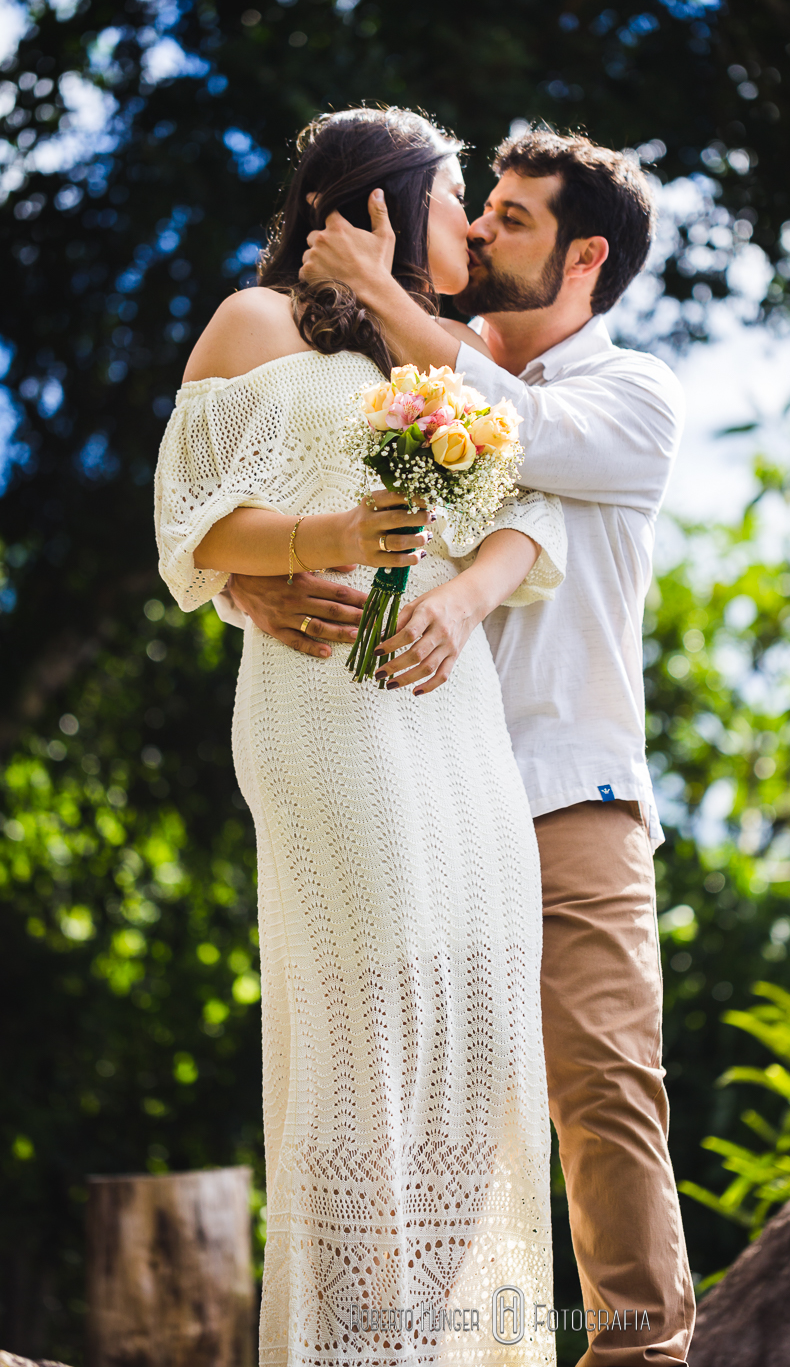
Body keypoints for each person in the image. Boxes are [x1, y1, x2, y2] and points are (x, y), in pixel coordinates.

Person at [226, 129, 697, 1366]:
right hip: (421, 790)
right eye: (476, 206)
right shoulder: (419, 361)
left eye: (515, 219)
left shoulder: (630, 394)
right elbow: (296, 503)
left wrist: (385, 294)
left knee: (598, 1090)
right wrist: (247, 591)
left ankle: (643, 1356)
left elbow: (519, 447)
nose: (480, 230)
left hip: (569, 789)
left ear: (586, 254)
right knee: (426, 1089)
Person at [153, 107, 568, 1367]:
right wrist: (309, 548)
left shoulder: (452, 353)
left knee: (477, 1016)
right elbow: (189, 517)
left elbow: (537, 516)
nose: (475, 229)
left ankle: (449, 1346)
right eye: (457, 200)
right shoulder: (254, 322)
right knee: (369, 1023)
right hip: (331, 715)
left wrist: (454, 594)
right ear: (380, 202)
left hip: (460, 735)